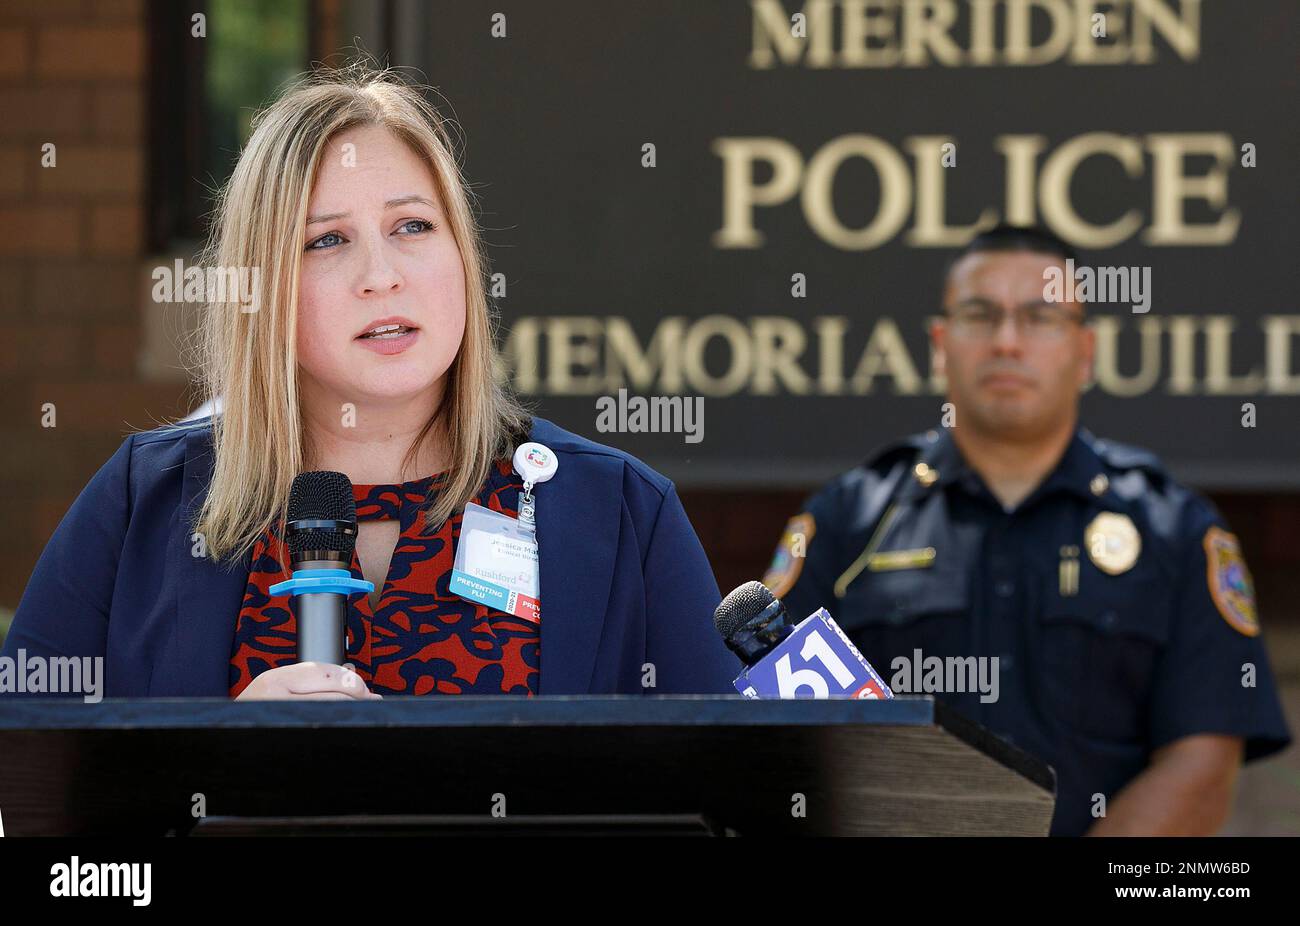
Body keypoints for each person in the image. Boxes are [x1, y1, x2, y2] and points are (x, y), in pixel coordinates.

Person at [1, 66, 737, 700]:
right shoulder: (145, 504)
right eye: (327, 241)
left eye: (413, 227)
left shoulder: (618, 511)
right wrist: (214, 755)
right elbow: (33, 789)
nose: (382, 276)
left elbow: (727, 799)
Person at [763, 225, 1291, 836]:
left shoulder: (1174, 529)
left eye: (1040, 317)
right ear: (940, 343)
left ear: (1085, 350)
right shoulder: (846, 525)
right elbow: (784, 738)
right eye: (980, 315)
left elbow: (1202, 759)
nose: (1007, 342)